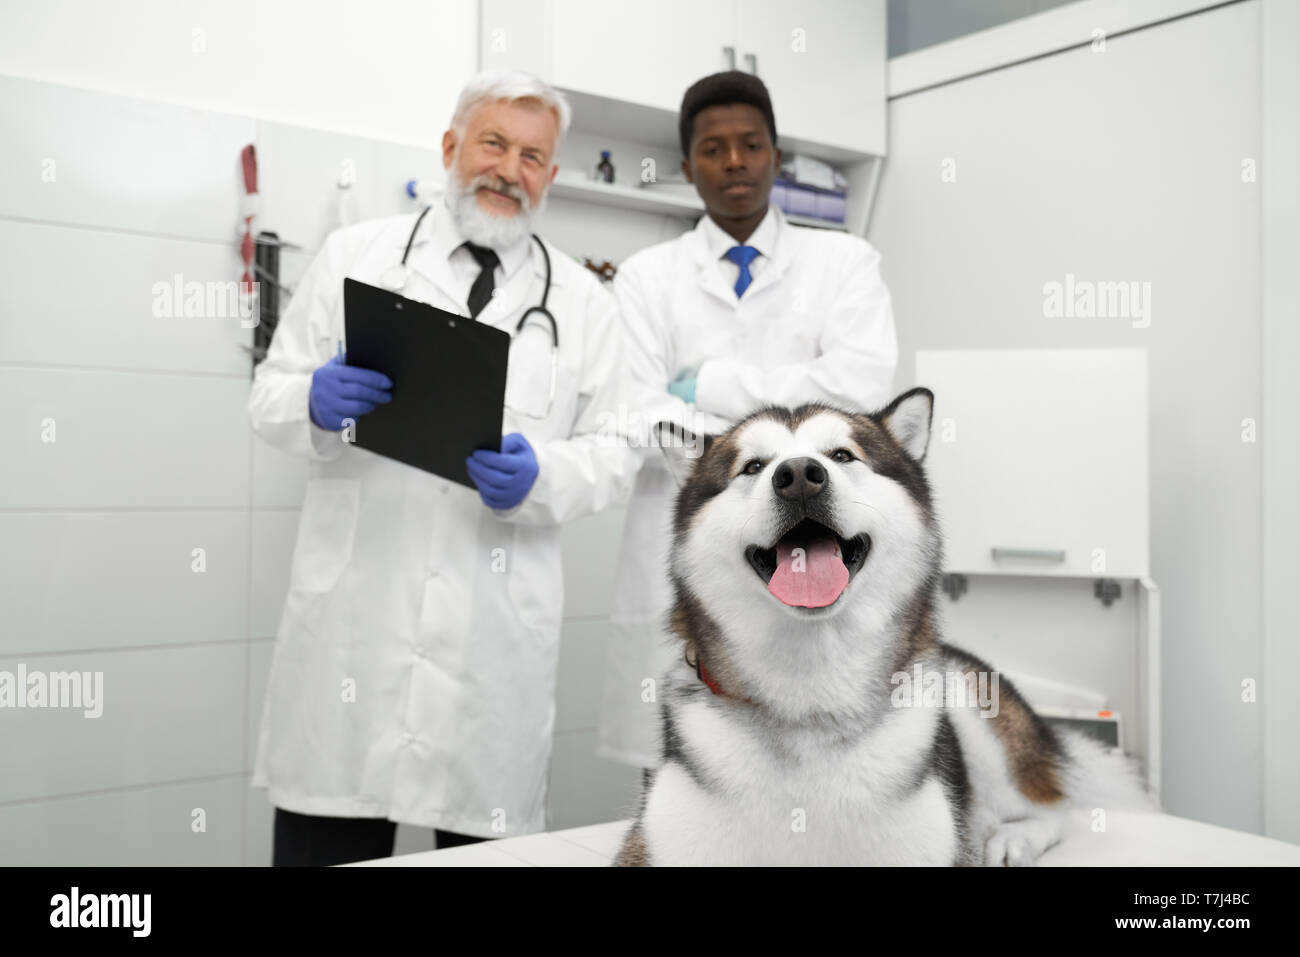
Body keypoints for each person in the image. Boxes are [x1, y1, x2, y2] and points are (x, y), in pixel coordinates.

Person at [248, 71, 638, 866]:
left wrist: (546, 477)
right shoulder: (357, 256)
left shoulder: (585, 303)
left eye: (533, 156)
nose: (509, 168)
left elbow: (620, 446)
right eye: (493, 143)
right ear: (452, 147)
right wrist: (316, 404)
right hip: (353, 639)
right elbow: (268, 395)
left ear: (552, 177)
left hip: (493, 655)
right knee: (329, 843)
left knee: (487, 854)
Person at [598, 71, 900, 774]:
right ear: (687, 166)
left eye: (750, 145)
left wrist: (708, 385)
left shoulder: (845, 262)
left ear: (776, 157)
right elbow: (637, 412)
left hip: (815, 542)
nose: (734, 161)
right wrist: (789, 416)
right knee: (682, 771)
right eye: (713, 148)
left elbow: (858, 390)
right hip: (692, 557)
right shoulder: (646, 277)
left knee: (822, 765)